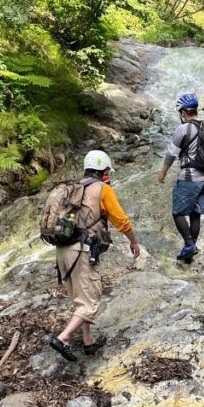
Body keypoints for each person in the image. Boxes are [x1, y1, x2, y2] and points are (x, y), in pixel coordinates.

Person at [49, 150, 140, 362]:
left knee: (81, 298)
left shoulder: (74, 188)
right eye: (107, 171)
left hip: (62, 250)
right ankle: (63, 338)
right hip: (82, 251)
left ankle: (88, 341)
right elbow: (121, 220)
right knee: (90, 301)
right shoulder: (102, 189)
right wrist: (133, 241)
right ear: (104, 171)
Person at [157, 92, 204, 263]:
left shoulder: (183, 129)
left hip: (190, 178)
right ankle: (190, 250)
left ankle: (189, 245)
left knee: (178, 213)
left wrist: (163, 172)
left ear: (183, 112)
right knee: (195, 214)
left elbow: (171, 154)